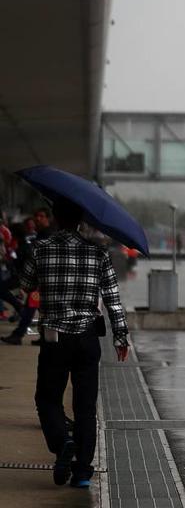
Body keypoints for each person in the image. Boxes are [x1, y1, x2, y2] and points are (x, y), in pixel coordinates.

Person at [16, 199, 129, 488]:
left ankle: (62, 441)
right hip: (87, 337)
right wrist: (120, 336)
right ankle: (81, 473)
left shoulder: (40, 249)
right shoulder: (98, 253)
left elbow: (25, 286)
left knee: (47, 399)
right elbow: (113, 301)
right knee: (85, 407)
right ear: (81, 220)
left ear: (55, 218)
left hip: (54, 337)